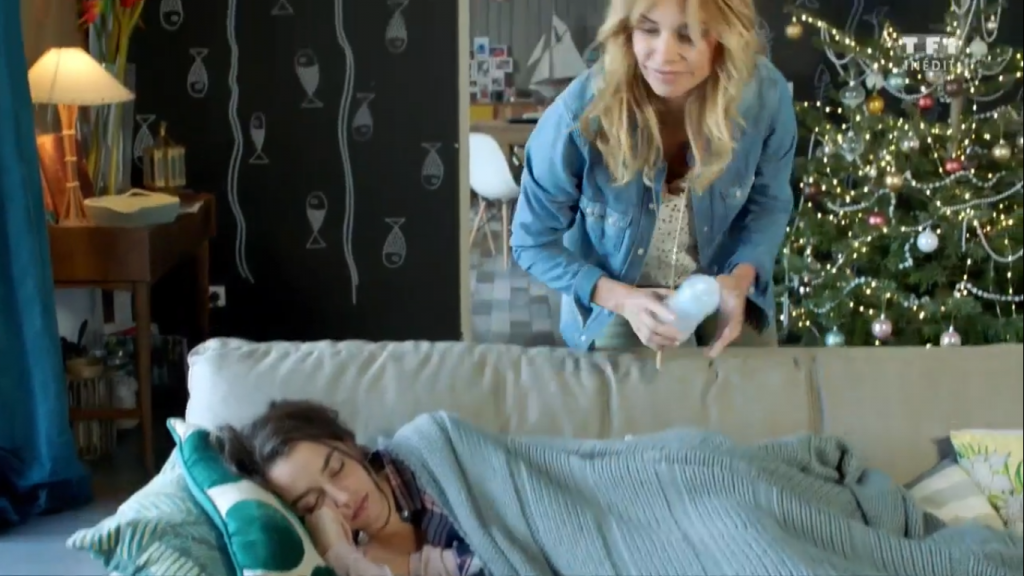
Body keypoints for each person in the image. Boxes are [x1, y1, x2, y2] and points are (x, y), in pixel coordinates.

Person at [510, 0, 796, 355]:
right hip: (619, 289)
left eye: (688, 34)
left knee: (754, 383)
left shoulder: (765, 96)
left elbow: (769, 203)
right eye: (647, 30)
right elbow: (531, 242)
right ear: (626, 31)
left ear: (724, 37)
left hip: (723, 274)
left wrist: (741, 278)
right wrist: (622, 300)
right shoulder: (578, 115)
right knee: (638, 390)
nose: (664, 55)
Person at [215, 400, 483, 576]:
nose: (343, 498)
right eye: (313, 503)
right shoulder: (349, 561)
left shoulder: (431, 451)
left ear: (348, 443)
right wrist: (342, 556)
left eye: (337, 468)